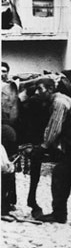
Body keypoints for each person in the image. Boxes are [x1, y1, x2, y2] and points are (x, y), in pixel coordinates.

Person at [25, 76, 71, 227]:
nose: (37, 92)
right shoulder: (51, 103)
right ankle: (59, 214)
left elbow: (55, 128)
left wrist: (43, 147)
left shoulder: (59, 101)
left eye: (40, 89)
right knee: (60, 173)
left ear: (51, 90)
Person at [1, 62, 18, 218]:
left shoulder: (12, 89)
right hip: (3, 134)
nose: (2, 73)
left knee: (9, 167)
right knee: (4, 168)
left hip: (9, 134)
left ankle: (10, 201)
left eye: (5, 71)